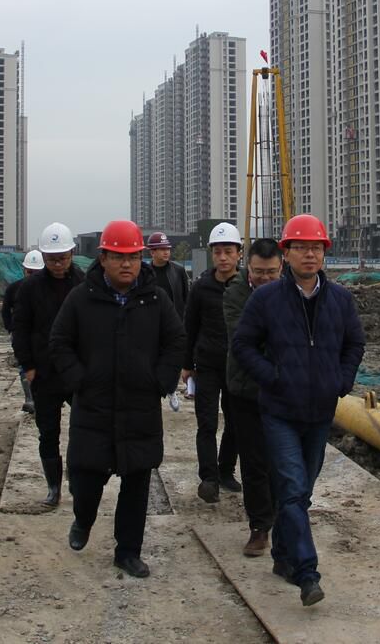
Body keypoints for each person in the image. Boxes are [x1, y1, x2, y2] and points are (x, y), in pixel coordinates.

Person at [232, 214, 365, 607]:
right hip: (279, 411)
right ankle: (307, 573)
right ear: (286, 253)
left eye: (317, 247)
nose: (310, 254)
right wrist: (271, 377)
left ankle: (282, 554)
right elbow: (243, 345)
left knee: (301, 493)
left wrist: (341, 380)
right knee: (291, 487)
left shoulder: (340, 300)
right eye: (302, 247)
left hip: (320, 412)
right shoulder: (266, 299)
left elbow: (354, 344)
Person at [49, 219, 184, 578]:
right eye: (119, 257)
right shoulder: (82, 298)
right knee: (87, 478)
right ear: (103, 258)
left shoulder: (155, 299)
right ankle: (83, 519)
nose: (127, 264)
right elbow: (59, 342)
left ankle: (128, 552)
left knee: (137, 483)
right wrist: (79, 379)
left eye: (133, 257)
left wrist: (161, 380)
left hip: (140, 409)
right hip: (94, 409)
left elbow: (175, 341)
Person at [12, 224, 83, 507]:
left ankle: (78, 479)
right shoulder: (30, 288)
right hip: (44, 373)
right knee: (48, 432)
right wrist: (28, 365)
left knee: (83, 429)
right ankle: (53, 487)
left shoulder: (83, 283)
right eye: (52, 259)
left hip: (77, 371)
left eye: (62, 258)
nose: (57, 264)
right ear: (43, 257)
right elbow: (20, 328)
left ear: (71, 254)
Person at [222, 237, 283, 557]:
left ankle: (282, 517)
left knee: (282, 458)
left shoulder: (293, 291)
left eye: (271, 272)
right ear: (248, 266)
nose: (265, 278)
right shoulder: (234, 294)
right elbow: (243, 339)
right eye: (259, 272)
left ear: (281, 267)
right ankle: (259, 526)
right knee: (253, 460)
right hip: (245, 390)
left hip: (284, 392)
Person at [182, 222, 243, 503]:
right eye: (217, 252)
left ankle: (226, 469)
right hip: (206, 365)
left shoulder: (246, 287)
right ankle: (209, 478)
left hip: (237, 367)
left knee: (236, 423)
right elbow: (190, 326)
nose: (223, 257)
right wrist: (186, 365)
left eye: (228, 251)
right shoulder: (201, 287)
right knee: (206, 423)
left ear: (239, 253)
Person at [3, 249, 44, 413]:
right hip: (22, 334)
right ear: (25, 270)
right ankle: (30, 399)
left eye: (36, 272)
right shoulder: (14, 289)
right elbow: (6, 311)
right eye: (30, 271)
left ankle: (45, 396)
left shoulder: (48, 289)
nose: (32, 275)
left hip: (42, 334)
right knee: (25, 364)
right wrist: (11, 329)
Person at [146, 231, 189, 319]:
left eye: (168, 249)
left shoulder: (179, 270)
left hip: (176, 321)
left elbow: (187, 298)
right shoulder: (145, 273)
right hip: (153, 320)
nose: (166, 252)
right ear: (152, 252)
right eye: (162, 249)